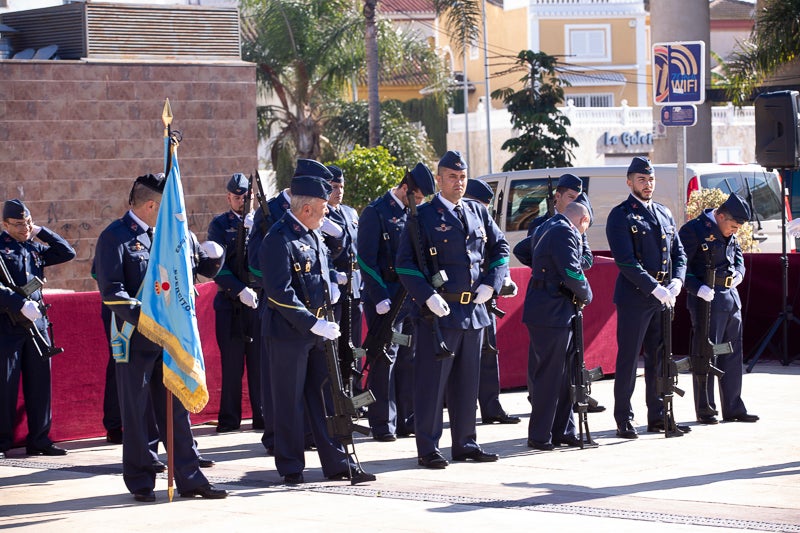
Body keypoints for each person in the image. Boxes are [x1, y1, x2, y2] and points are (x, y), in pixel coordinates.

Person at [94, 173, 227, 502]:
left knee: (177, 410)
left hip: (170, 339)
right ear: (152, 205)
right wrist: (149, 319)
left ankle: (190, 477)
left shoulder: (170, 235)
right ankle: (140, 480)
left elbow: (196, 270)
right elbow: (112, 293)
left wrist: (214, 255)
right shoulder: (115, 237)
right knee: (137, 413)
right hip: (135, 337)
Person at [259, 161, 374, 485]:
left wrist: (335, 290)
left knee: (326, 397)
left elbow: (320, 280)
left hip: (319, 332)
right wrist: (313, 322)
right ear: (307, 207)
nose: (327, 213)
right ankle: (292, 466)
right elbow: (279, 293)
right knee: (288, 401)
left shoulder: (314, 237)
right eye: (323, 207)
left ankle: (338, 462)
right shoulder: (278, 239)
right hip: (288, 334)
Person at [396, 151, 509, 469]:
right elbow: (404, 264)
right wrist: (426, 296)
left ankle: (465, 443)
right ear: (439, 179)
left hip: (473, 311)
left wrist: (491, 283)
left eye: (462, 177)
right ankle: (428, 447)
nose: (458, 183)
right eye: (451, 177)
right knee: (432, 384)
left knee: (466, 383)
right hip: (439, 315)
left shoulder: (477, 211)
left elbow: (500, 248)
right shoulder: (423, 215)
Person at [605, 156, 688, 439]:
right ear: (629, 182)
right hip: (635, 297)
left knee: (660, 357)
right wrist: (655, 287)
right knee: (628, 359)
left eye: (651, 179)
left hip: (663, 298)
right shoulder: (621, 215)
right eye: (642, 179)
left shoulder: (663, 212)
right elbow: (626, 261)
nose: (648, 184)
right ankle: (624, 418)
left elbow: (679, 253)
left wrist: (677, 280)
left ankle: (658, 415)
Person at [358, 164, 434, 442]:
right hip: (387, 300)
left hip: (409, 298)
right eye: (417, 197)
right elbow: (366, 258)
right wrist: (378, 296)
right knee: (384, 359)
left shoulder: (414, 214)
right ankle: (382, 424)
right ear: (405, 189)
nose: (419, 203)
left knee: (407, 358)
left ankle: (406, 419)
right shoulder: (376, 212)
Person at [0, 199, 75, 459]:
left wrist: (40, 231)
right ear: (5, 224)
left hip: (37, 325)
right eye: (19, 224)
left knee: (40, 384)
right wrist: (18, 302)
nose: (24, 228)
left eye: (28, 222)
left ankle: (40, 440)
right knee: (5, 386)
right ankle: (2, 443)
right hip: (7, 326)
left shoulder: (34, 247)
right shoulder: (1, 249)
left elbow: (67, 252)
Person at [678, 193, 759, 424]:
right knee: (707, 354)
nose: (734, 230)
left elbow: (738, 254)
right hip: (707, 300)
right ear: (720, 215)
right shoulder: (693, 230)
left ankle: (733, 407)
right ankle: (706, 408)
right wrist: (697, 287)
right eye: (732, 226)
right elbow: (682, 265)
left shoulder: (730, 230)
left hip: (730, 299)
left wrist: (740, 274)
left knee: (731, 353)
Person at [523, 201, 592, 450]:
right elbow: (573, 272)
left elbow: (524, 249)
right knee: (550, 377)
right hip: (550, 311)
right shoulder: (564, 231)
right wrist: (587, 294)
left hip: (554, 308)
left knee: (564, 377)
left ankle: (562, 430)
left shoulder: (548, 225)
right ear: (583, 221)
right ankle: (540, 434)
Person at [207, 173, 262, 433]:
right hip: (231, 304)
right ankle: (229, 420)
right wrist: (239, 290)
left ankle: (263, 418)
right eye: (238, 197)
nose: (243, 201)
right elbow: (217, 266)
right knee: (232, 365)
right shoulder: (219, 225)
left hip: (258, 302)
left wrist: (258, 230)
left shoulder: (263, 222)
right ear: (229, 197)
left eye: (246, 196)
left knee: (260, 364)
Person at [463, 179, 520, 425]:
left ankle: (491, 406)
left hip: (484, 298)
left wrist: (499, 281)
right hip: (457, 300)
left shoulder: (484, 224)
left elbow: (500, 252)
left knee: (489, 352)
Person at [321, 165, 363, 396]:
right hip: (336, 286)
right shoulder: (322, 214)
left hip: (354, 286)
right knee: (335, 345)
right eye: (334, 187)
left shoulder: (350, 213)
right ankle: (336, 395)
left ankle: (355, 392)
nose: (339, 191)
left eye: (341, 187)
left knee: (354, 345)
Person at [513, 173, 591, 271]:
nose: (575, 203)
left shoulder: (578, 223)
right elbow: (529, 254)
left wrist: (569, 263)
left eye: (577, 199)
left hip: (570, 281)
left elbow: (588, 259)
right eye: (571, 197)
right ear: (558, 196)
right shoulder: (539, 223)